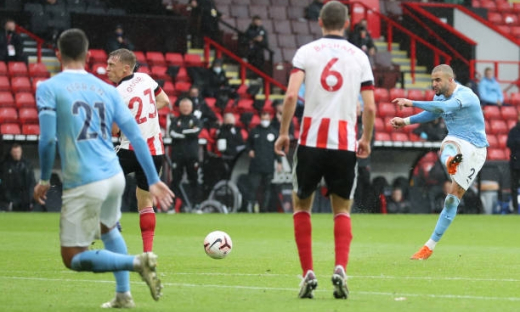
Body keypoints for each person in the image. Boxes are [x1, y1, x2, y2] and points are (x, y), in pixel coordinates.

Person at [33, 29, 174, 308]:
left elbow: (48, 139)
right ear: (87, 57)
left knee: (73, 256)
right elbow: (136, 134)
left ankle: (138, 261)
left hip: (87, 174)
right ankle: (124, 294)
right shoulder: (108, 90)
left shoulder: (49, 87)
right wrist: (155, 177)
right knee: (109, 229)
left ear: (58, 55)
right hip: (116, 172)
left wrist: (44, 177)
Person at [274, 1, 376, 299]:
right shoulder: (359, 56)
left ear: (320, 22)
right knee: (341, 210)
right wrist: (365, 139)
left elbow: (292, 94)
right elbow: (369, 107)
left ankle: (307, 273)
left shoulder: (306, 52)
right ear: (346, 23)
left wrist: (283, 133)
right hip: (344, 144)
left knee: (301, 205)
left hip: (310, 143)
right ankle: (340, 267)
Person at [390, 64, 488, 260]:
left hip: (476, 149)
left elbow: (443, 108)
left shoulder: (465, 95)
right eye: (432, 80)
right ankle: (428, 247)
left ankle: (452, 162)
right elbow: (433, 113)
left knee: (453, 198)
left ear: (450, 80)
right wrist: (406, 121)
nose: (433, 83)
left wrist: (411, 102)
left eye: (438, 80)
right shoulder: (439, 97)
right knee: (446, 145)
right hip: (458, 141)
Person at [106, 48, 170, 252]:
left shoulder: (116, 94)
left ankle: (111, 219)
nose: (107, 69)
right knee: (145, 202)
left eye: (111, 65)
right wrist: (144, 116)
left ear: (125, 68)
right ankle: (148, 252)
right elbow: (164, 101)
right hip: (155, 151)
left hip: (130, 149)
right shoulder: (145, 78)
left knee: (99, 181)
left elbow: (115, 129)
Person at [246, 111, 282, 213]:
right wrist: (249, 150)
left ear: (269, 120)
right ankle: (252, 208)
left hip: (268, 165)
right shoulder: (254, 131)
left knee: (267, 189)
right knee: (253, 187)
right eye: (263, 119)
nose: (264, 121)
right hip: (255, 166)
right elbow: (248, 144)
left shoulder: (274, 132)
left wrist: (279, 162)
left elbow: (277, 149)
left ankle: (264, 209)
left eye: (266, 119)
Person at [169, 98, 202, 210]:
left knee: (194, 179)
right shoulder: (175, 120)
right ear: (180, 107)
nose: (185, 108)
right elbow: (172, 133)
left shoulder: (196, 120)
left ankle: (196, 205)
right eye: (183, 106)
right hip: (177, 155)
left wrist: (182, 132)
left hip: (192, 155)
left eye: (187, 106)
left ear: (191, 108)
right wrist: (187, 132)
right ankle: (172, 205)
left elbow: (197, 131)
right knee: (175, 180)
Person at [0, 143, 36, 211]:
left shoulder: (27, 164)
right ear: (11, 153)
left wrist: (30, 198)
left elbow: (31, 182)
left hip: (25, 198)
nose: (16, 154)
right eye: (15, 152)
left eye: (18, 152)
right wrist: (8, 198)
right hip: (11, 198)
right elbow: (4, 184)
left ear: (21, 152)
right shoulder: (5, 165)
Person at [216, 112, 245, 178]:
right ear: (224, 121)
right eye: (228, 121)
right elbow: (222, 148)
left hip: (239, 155)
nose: (230, 123)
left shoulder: (237, 130)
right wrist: (233, 152)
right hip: (228, 156)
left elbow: (241, 143)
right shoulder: (221, 132)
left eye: (231, 121)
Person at [507, 111, 520, 213]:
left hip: (515, 161)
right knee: (514, 187)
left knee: (514, 187)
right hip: (515, 163)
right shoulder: (513, 131)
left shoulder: (513, 132)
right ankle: (515, 208)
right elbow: (509, 144)